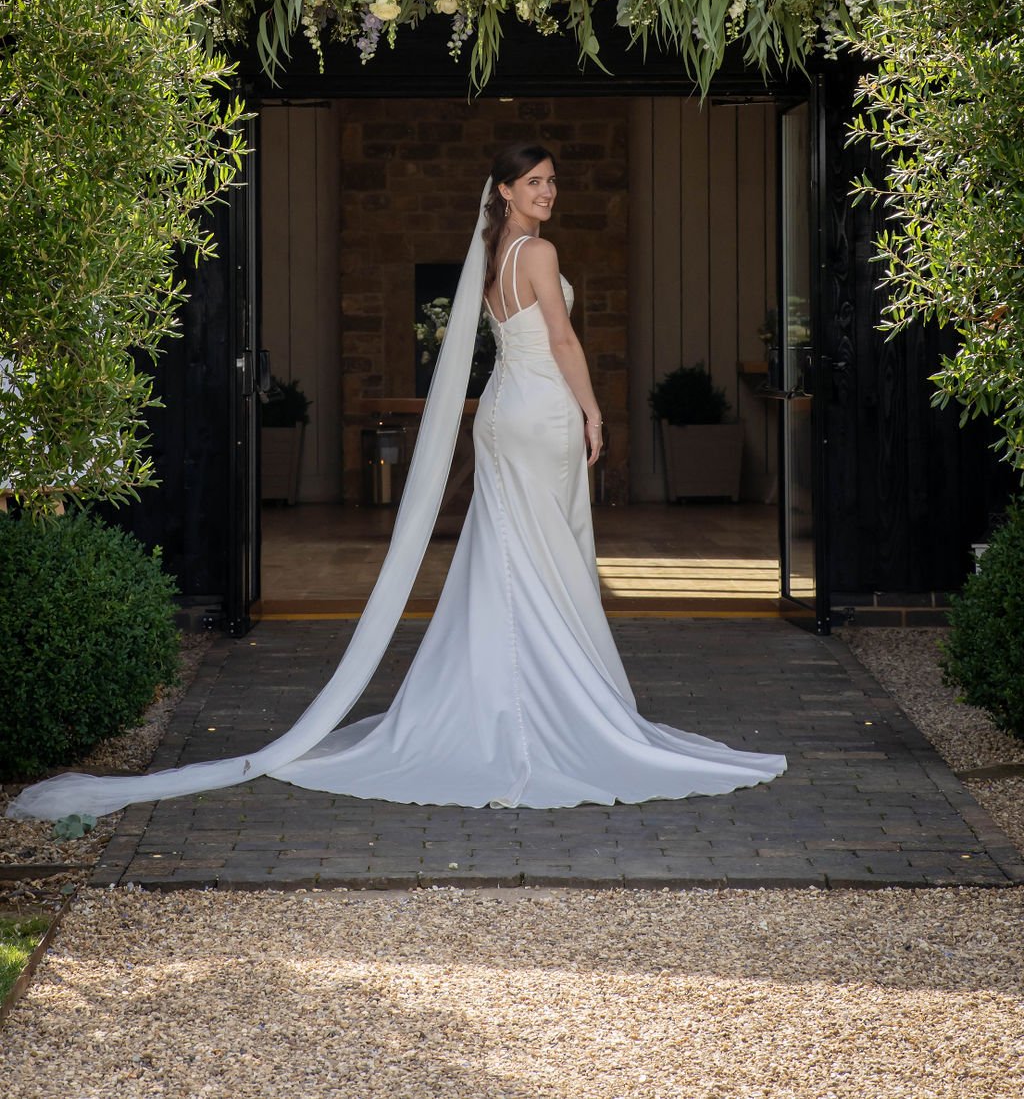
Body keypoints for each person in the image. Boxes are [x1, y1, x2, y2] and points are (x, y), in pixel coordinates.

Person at [9, 143, 786, 821]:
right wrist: (594, 413)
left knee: (512, 557)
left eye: (553, 181)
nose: (549, 192)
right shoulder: (539, 256)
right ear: (505, 192)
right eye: (536, 183)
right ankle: (557, 710)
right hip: (541, 408)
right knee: (545, 556)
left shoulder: (491, 262)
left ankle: (513, 701)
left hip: (502, 413)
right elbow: (559, 337)